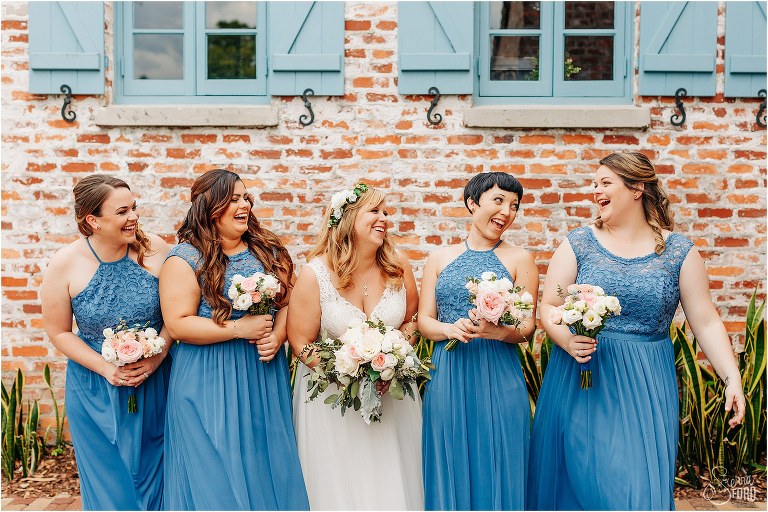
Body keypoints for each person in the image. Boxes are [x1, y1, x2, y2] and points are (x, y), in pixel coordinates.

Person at [527, 152, 746, 510]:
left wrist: (732, 377)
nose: (595, 190)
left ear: (637, 188)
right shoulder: (578, 243)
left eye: (605, 182)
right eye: (594, 183)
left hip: (645, 383)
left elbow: (705, 321)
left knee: (634, 486)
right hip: (583, 377)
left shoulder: (678, 252)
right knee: (580, 481)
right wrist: (567, 340)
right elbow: (549, 307)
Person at [159, 169, 308, 510]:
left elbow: (291, 302)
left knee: (264, 463)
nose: (245, 204)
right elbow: (179, 324)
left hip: (261, 373)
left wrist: (278, 334)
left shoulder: (268, 249)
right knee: (214, 471)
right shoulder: (185, 259)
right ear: (210, 207)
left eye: (246, 197)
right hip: (206, 378)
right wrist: (240, 329)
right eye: (234, 199)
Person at [288, 183, 423, 510]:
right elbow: (301, 343)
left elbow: (412, 320)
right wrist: (346, 374)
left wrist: (396, 352)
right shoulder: (315, 274)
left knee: (391, 481)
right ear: (348, 218)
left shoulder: (397, 266)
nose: (384, 218)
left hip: (391, 397)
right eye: (374, 211)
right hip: (333, 402)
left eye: (386, 212)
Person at [41, 175, 172, 510]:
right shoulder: (65, 263)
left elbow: (179, 314)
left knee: (156, 473)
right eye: (122, 211)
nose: (134, 217)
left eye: (134, 208)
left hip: (156, 382)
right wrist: (105, 367)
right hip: (94, 387)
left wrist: (159, 354)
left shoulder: (155, 250)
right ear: (93, 221)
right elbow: (59, 332)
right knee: (108, 481)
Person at [418, 172, 538, 510]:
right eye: (498, 201)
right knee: (449, 453)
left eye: (514, 206)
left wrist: (496, 331)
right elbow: (425, 321)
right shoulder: (439, 258)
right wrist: (449, 330)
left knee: (499, 453)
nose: (506, 212)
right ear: (473, 203)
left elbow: (527, 327)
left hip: (498, 371)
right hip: (449, 370)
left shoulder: (521, 259)